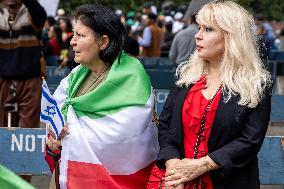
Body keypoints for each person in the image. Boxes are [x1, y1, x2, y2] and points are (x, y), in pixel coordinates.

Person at [157, 1, 272, 189]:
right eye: (199, 27)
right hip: (179, 181)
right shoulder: (187, 77)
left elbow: (249, 140)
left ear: (231, 37)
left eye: (208, 29)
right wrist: (173, 165)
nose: (197, 35)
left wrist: (203, 165)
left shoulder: (255, 83)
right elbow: (166, 126)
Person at [46, 4, 159, 189]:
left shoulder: (132, 78)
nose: (72, 42)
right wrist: (55, 137)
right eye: (74, 35)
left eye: (80, 36)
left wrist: (68, 133)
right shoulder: (76, 75)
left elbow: (122, 140)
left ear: (103, 42)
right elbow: (58, 113)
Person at [0, 0, 46, 181]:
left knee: (27, 136)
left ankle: (22, 183)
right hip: (2, 81)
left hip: (30, 81)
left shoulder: (32, 11)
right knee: (3, 133)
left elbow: (40, 16)